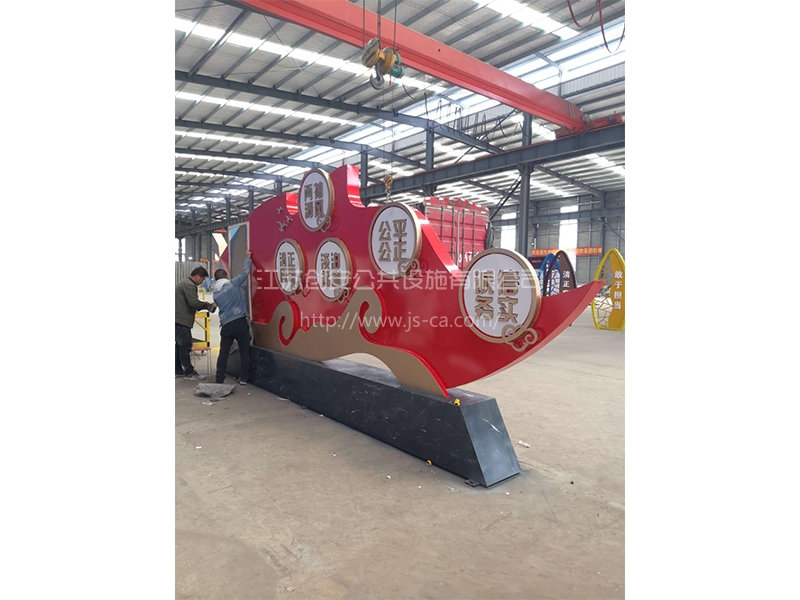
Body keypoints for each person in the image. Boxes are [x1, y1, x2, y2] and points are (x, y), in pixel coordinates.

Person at [212, 252, 253, 385]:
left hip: (226, 325)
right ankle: (244, 378)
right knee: (244, 351)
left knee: (224, 352)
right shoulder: (233, 284)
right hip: (239, 322)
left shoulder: (215, 293)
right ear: (226, 276)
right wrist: (248, 258)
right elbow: (245, 272)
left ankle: (219, 378)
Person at [176, 266, 213, 379]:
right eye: (202, 279)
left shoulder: (183, 282)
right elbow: (193, 302)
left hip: (177, 319)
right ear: (197, 276)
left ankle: (177, 370)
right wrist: (205, 305)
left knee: (179, 346)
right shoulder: (189, 285)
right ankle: (189, 371)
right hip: (182, 320)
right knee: (185, 346)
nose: (202, 282)